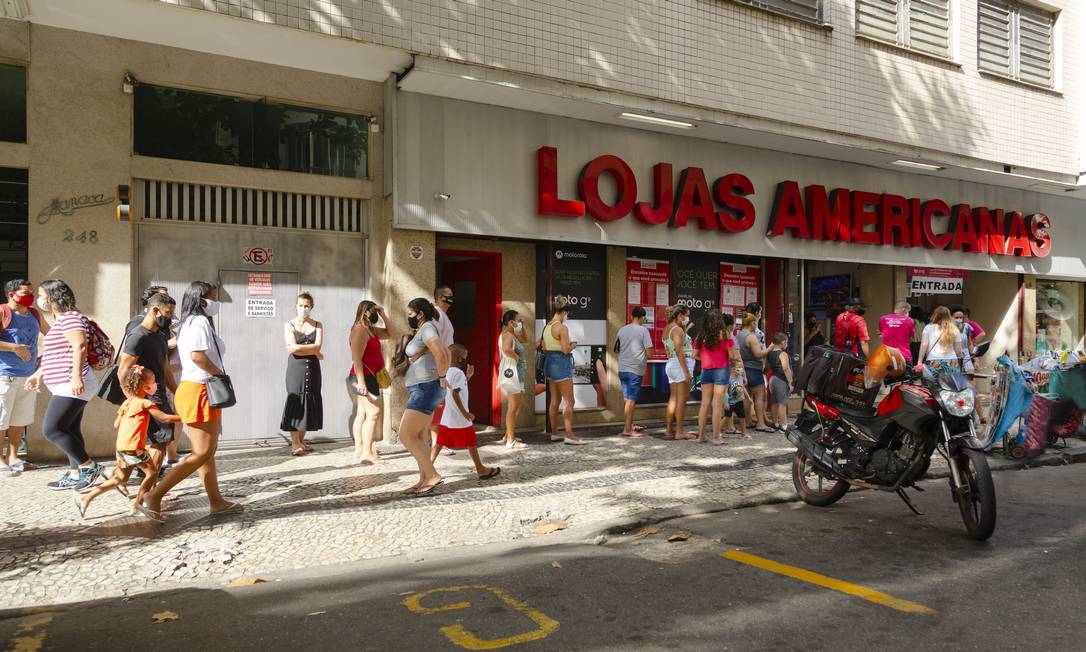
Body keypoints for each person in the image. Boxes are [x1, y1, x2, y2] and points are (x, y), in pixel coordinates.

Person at [140, 281, 240, 518]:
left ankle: (216, 501)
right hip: (200, 389)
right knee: (202, 453)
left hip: (194, 388)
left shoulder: (188, 323)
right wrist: (220, 374)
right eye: (213, 297)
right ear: (201, 299)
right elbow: (197, 356)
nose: (216, 302)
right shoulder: (199, 322)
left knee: (205, 451)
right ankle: (155, 495)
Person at [25, 280, 102, 491]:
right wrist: (38, 374)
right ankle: (75, 473)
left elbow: (80, 346)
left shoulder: (70, 318)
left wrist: (76, 377)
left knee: (53, 429)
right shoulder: (61, 321)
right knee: (70, 429)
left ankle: (89, 467)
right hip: (63, 382)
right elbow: (56, 355)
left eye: (41, 295)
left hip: (72, 382)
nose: (38, 299)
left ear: (52, 297)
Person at [75, 366, 181, 519]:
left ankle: (86, 497)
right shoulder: (145, 403)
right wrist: (187, 417)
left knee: (120, 478)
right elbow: (164, 418)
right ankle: (138, 504)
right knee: (152, 473)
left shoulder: (126, 403)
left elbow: (116, 424)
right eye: (152, 382)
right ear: (144, 386)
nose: (155, 385)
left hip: (122, 447)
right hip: (135, 447)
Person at [117, 291, 178, 478]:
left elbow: (165, 368)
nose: (170, 318)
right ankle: (150, 486)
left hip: (158, 394)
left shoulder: (160, 337)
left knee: (159, 439)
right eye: (167, 313)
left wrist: (177, 392)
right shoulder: (138, 336)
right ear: (155, 310)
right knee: (160, 438)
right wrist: (133, 400)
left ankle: (120, 478)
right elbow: (123, 371)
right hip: (146, 397)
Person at [399, 297, 450, 495]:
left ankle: (432, 475)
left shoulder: (428, 328)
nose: (408, 317)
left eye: (410, 314)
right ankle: (423, 479)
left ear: (420, 314)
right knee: (420, 436)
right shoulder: (425, 329)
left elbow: (441, 354)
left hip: (426, 387)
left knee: (406, 435)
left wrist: (443, 377)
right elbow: (444, 352)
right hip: (423, 387)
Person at [0, 279, 48, 477]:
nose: (31, 297)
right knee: (1, 420)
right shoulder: (3, 312)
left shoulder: (35, 314)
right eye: (26, 293)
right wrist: (14, 348)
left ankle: (14, 457)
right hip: (4, 375)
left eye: (32, 292)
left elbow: (50, 333)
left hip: (28, 376)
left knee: (19, 419)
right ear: (11, 295)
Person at [431, 343, 501, 480]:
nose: (465, 359)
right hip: (460, 417)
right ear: (459, 358)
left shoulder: (447, 372)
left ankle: (427, 468)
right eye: (464, 357)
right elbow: (455, 394)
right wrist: (466, 414)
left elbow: (455, 389)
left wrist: (468, 377)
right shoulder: (458, 373)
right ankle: (480, 469)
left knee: (439, 443)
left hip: (448, 416)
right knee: (471, 441)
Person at [348, 300, 393, 464]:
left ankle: (360, 449)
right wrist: (361, 383)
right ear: (364, 311)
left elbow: (390, 333)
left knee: (362, 413)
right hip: (363, 378)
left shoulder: (370, 330)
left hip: (369, 377)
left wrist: (383, 314)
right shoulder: (360, 330)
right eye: (373, 311)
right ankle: (366, 452)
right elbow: (356, 359)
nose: (375, 313)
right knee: (373, 413)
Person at [281, 292, 323, 456]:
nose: (303, 308)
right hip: (296, 368)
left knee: (309, 400)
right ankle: (295, 442)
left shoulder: (318, 325)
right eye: (300, 305)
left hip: (313, 368)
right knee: (296, 400)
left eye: (306, 306)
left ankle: (302, 440)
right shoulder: (289, 325)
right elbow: (292, 348)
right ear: (296, 306)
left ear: (311, 307)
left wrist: (298, 347)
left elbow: (317, 346)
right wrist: (312, 351)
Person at [541, 298, 584, 445]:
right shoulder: (562, 328)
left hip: (550, 363)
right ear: (564, 312)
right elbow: (565, 350)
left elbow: (544, 346)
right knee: (569, 401)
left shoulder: (547, 326)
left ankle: (554, 432)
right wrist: (573, 345)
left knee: (554, 400)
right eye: (567, 313)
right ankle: (569, 435)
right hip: (561, 363)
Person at [694, 311, 740, 445]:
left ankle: (701, 436)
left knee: (705, 403)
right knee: (717, 404)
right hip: (721, 370)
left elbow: (694, 355)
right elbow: (732, 355)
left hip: (706, 371)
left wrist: (705, 359)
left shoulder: (701, 335)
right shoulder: (725, 335)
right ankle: (715, 437)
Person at [616, 307, 654, 438]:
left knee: (627, 399)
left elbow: (617, 349)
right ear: (642, 317)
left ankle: (629, 425)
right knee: (631, 400)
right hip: (635, 370)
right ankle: (627, 429)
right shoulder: (643, 331)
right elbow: (649, 352)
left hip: (622, 368)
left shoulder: (622, 330)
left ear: (632, 316)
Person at [662, 305, 695, 441]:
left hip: (672, 364)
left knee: (674, 398)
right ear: (679, 315)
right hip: (680, 365)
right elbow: (679, 350)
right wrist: (686, 372)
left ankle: (669, 429)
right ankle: (680, 431)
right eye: (685, 315)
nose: (687, 318)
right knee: (682, 399)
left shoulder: (667, 328)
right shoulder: (677, 330)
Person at [498, 310, 529, 449]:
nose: (520, 322)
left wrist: (522, 325)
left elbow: (526, 339)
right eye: (518, 320)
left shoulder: (512, 334)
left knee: (518, 405)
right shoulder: (508, 335)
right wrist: (516, 358)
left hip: (518, 375)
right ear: (511, 322)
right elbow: (506, 349)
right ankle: (510, 440)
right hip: (513, 375)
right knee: (512, 407)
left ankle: (508, 434)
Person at [430, 286, 455, 452]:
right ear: (439, 297)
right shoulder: (437, 315)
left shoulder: (442, 315)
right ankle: (435, 442)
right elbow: (435, 342)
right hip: (439, 366)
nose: (452, 298)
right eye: (448, 296)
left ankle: (438, 441)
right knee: (438, 404)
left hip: (444, 364)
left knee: (441, 403)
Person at [738, 313, 771, 432]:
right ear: (752, 323)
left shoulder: (738, 335)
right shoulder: (751, 337)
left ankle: (748, 421)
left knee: (746, 397)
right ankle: (761, 423)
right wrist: (770, 348)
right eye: (755, 322)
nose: (756, 324)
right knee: (759, 397)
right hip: (754, 369)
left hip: (743, 370)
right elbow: (758, 354)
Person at [915, 306, 963, 379]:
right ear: (949, 316)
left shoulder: (928, 328)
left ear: (935, 315)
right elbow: (958, 351)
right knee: (952, 385)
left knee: (932, 385)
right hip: (951, 361)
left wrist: (919, 362)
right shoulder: (954, 329)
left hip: (933, 361)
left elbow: (924, 345)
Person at [766, 332, 794, 431]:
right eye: (787, 342)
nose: (787, 344)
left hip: (773, 379)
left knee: (774, 402)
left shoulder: (770, 353)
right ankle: (784, 425)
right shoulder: (782, 353)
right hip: (781, 379)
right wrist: (790, 383)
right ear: (783, 342)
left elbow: (768, 367)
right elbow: (785, 368)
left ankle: (775, 423)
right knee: (782, 403)